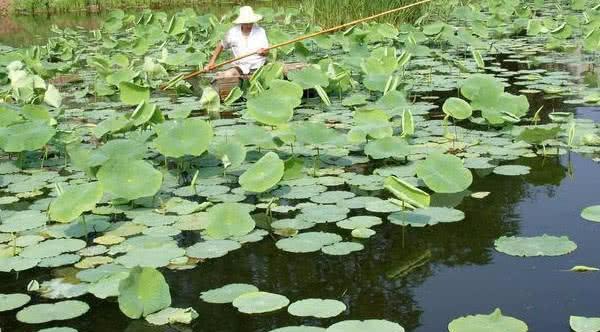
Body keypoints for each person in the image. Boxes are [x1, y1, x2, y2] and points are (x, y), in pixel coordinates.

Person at [205, 6, 269, 79]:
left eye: (251, 23)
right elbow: (221, 45)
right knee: (227, 75)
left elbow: (267, 52)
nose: (249, 25)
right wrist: (212, 61)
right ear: (241, 22)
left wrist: (263, 52)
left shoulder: (260, 31)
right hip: (241, 66)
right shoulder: (233, 32)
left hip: (258, 65)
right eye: (246, 23)